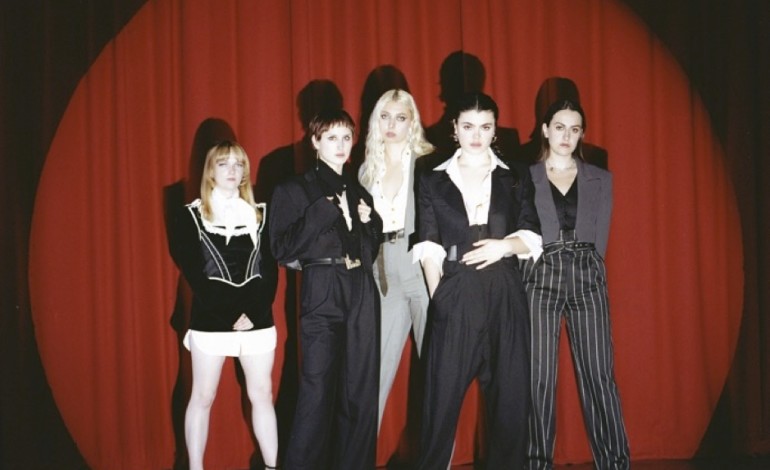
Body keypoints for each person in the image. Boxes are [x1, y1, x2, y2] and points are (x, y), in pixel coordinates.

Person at [413, 92, 542, 469]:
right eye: (468, 126)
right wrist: (441, 299)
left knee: (510, 401)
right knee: (440, 402)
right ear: (454, 128)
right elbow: (428, 245)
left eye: (485, 127)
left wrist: (503, 246)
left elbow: (532, 235)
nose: (476, 135)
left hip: (505, 290)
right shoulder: (431, 177)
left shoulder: (515, 174)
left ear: (494, 129)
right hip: (456, 289)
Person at [269, 109, 383, 469]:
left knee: (360, 390)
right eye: (331, 138)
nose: (340, 145)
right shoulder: (292, 190)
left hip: (361, 288)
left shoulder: (359, 192)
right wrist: (320, 213)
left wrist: (369, 223)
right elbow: (281, 249)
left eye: (346, 137)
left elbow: (370, 251)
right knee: (315, 390)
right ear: (315, 141)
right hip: (322, 286)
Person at [523, 99, 630, 469]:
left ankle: (615, 463)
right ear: (545, 130)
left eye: (574, 129)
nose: (566, 136)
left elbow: (600, 237)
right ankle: (537, 463)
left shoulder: (601, 178)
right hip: (541, 274)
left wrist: (590, 266)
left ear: (582, 133)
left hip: (587, 275)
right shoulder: (525, 176)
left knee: (599, 374)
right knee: (538, 378)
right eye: (559, 127)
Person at [170, 140, 279, 470]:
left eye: (238, 164)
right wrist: (230, 314)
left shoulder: (261, 214)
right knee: (203, 396)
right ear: (210, 171)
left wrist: (254, 314)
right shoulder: (190, 216)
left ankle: (272, 466)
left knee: (262, 394)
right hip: (212, 318)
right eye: (224, 164)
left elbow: (270, 271)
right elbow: (195, 273)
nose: (233, 170)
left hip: (257, 320)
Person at [358, 89, 433, 430]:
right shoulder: (365, 169)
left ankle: (437, 457)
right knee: (373, 373)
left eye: (400, 117)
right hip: (383, 272)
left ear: (412, 122)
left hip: (421, 265)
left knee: (436, 371)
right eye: (385, 117)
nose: (391, 125)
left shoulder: (428, 162)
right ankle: (360, 453)